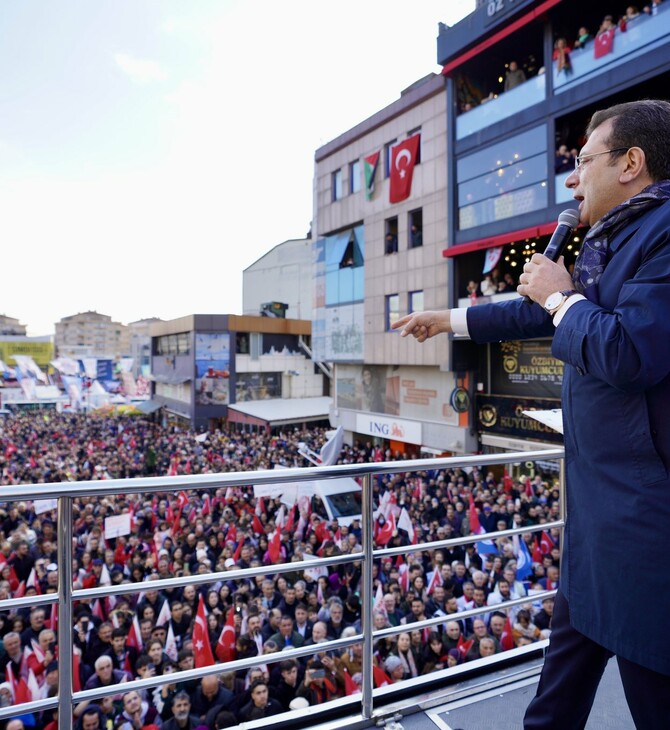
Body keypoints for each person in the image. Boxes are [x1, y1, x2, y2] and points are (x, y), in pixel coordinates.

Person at [392, 99, 670, 729]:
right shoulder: (614, 234)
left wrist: (561, 295)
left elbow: (627, 352)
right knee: (553, 703)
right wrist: (451, 318)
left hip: (641, 527)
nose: (572, 178)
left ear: (632, 162)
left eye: (584, 161)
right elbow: (539, 311)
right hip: (596, 520)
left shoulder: (663, 233)